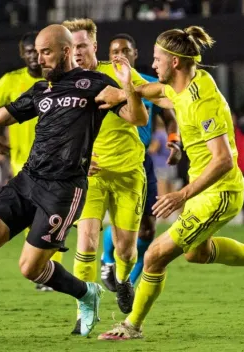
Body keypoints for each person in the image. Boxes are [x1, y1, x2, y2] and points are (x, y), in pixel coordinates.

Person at [0, 24, 149, 339]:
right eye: (37, 53)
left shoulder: (95, 84)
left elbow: (138, 118)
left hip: (64, 188)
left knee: (30, 269)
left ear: (66, 51)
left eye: (46, 52)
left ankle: (86, 293)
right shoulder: (41, 90)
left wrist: (128, 88)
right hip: (28, 179)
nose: (40, 60)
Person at [95, 26, 244, 340]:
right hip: (204, 191)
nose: (153, 66)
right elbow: (157, 92)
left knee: (154, 256)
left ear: (174, 62)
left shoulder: (205, 100)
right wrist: (125, 90)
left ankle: (131, 325)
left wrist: (182, 194)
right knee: (197, 254)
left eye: (156, 59)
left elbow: (223, 159)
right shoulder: (183, 84)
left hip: (220, 192)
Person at [61, 19, 179, 333]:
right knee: (85, 241)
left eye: (82, 45)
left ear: (94, 47)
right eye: (71, 47)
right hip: (91, 176)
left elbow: (155, 102)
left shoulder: (117, 74)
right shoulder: (60, 83)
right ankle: (84, 312)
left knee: (127, 249)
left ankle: (124, 279)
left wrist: (185, 104)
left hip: (129, 174)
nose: (77, 52)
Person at [99, 33, 179, 293]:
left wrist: (174, 140)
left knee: (147, 227)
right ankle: (108, 260)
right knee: (120, 222)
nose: (118, 55)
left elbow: (169, 115)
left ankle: (128, 282)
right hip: (107, 161)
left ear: (135, 55)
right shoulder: (98, 85)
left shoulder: (149, 84)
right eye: (113, 51)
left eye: (124, 50)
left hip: (140, 161)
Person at [0, 31, 64, 291]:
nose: (34, 56)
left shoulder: (56, 80)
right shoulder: (10, 81)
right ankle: (44, 270)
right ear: (22, 54)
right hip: (21, 163)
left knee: (52, 218)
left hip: (55, 164)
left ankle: (48, 271)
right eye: (29, 51)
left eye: (38, 51)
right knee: (36, 220)